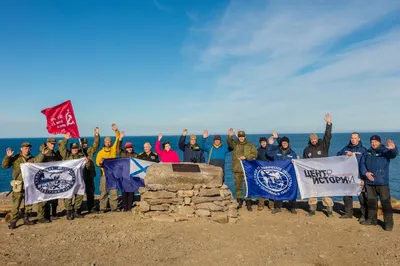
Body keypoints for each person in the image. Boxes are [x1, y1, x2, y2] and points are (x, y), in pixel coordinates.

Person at [2, 142, 45, 229]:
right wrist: (8, 157)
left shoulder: (32, 158)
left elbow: (37, 162)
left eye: (28, 148)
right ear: (21, 148)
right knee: (16, 204)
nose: (27, 149)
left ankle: (26, 219)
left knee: (28, 203)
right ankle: (13, 221)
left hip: (29, 184)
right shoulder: (16, 158)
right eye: (25, 148)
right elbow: (5, 166)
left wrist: (42, 154)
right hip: (18, 184)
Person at [360, 135, 398, 231]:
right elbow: (362, 164)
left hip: (382, 183)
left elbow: (394, 154)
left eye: (376, 141)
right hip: (370, 182)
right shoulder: (367, 152)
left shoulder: (385, 151)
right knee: (372, 203)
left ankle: (388, 224)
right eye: (372, 142)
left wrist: (393, 148)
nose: (374, 143)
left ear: (379, 142)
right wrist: (366, 173)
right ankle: (372, 220)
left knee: (386, 203)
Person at [303, 114, 333, 217]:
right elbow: (304, 162)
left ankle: (329, 210)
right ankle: (312, 210)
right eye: (312, 139)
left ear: (317, 139)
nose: (314, 140)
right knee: (312, 193)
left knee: (326, 194)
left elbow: (327, 136)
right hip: (312, 175)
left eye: (315, 139)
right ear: (310, 140)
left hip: (323, 174)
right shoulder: (307, 150)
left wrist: (328, 124)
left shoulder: (323, 146)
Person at [58, 133, 91, 220]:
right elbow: (62, 149)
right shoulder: (67, 155)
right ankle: (69, 211)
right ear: (71, 149)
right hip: (68, 180)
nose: (75, 150)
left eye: (76, 148)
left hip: (79, 179)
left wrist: (88, 162)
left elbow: (87, 167)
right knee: (68, 196)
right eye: (73, 148)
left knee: (79, 195)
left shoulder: (81, 156)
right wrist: (65, 139)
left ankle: (77, 211)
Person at [336, 132, 367, 220]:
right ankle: (348, 213)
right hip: (347, 176)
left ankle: (364, 215)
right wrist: (345, 155)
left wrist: (363, 178)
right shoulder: (346, 148)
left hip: (359, 177)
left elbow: (365, 164)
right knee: (347, 195)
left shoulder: (363, 150)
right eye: (352, 138)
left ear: (359, 139)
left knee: (361, 197)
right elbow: (337, 156)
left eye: (355, 138)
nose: (353, 140)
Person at [227, 128, 257, 211]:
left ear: (245, 136)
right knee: (238, 186)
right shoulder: (235, 144)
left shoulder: (250, 145)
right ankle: (239, 202)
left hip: (247, 169)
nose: (241, 138)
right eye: (240, 136)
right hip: (237, 169)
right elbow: (229, 142)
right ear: (238, 137)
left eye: (242, 136)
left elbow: (255, 154)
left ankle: (248, 203)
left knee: (247, 186)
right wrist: (229, 136)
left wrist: (246, 157)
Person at [267, 136, 298, 214]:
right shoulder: (276, 151)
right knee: (278, 191)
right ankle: (278, 207)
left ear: (288, 143)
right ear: (281, 143)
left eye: (286, 143)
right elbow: (268, 153)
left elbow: (295, 163)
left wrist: (296, 161)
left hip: (289, 175)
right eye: (283, 143)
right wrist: (270, 144)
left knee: (291, 190)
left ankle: (293, 207)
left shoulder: (292, 153)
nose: (284, 144)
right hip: (279, 175)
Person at [96, 124, 121, 213]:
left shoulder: (113, 149)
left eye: (109, 142)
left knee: (114, 192)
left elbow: (118, 138)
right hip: (104, 175)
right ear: (104, 143)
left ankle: (114, 207)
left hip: (113, 175)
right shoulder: (100, 153)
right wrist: (101, 162)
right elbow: (97, 163)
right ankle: (103, 208)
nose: (108, 143)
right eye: (106, 142)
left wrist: (116, 130)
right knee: (103, 191)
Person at [39, 137, 63, 221]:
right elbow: (38, 162)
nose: (53, 145)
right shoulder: (44, 153)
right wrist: (42, 154)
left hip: (54, 178)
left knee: (54, 197)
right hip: (45, 179)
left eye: (54, 144)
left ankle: (53, 213)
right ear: (48, 143)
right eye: (52, 143)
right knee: (45, 198)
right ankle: (44, 216)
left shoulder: (55, 154)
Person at [80, 127, 100, 213]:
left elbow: (96, 144)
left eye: (85, 143)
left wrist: (96, 134)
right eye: (83, 143)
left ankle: (91, 207)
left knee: (90, 191)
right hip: (80, 174)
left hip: (89, 174)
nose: (84, 144)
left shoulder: (90, 151)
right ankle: (78, 209)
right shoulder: (78, 152)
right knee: (79, 192)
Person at [256, 133, 279, 211]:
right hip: (262, 172)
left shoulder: (272, 148)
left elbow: (281, 146)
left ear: (267, 142)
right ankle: (260, 204)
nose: (263, 143)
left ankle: (271, 204)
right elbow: (256, 159)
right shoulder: (258, 150)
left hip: (272, 171)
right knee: (262, 187)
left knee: (271, 187)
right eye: (262, 142)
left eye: (264, 142)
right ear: (260, 143)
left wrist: (277, 138)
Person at [116, 130, 137, 212]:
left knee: (131, 192)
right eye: (128, 147)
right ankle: (125, 208)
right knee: (124, 192)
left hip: (132, 176)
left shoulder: (135, 155)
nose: (129, 148)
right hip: (124, 175)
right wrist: (120, 139)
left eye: (130, 147)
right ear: (125, 148)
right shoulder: (122, 153)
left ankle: (130, 207)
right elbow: (118, 148)